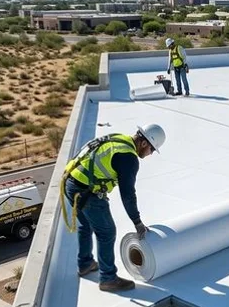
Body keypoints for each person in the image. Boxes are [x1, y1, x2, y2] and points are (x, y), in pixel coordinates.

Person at [62, 124, 166, 292]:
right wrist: (137, 222)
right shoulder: (128, 158)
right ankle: (108, 278)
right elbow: (128, 195)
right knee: (107, 232)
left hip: (71, 181)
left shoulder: (120, 139)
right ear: (145, 143)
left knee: (85, 225)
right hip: (85, 191)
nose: (150, 154)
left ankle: (85, 264)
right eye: (152, 150)